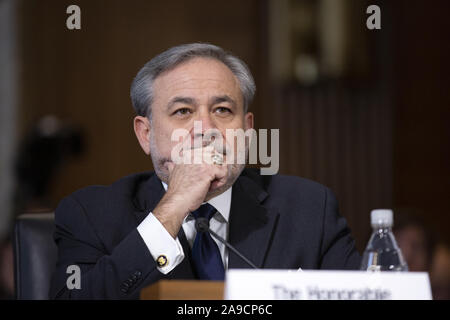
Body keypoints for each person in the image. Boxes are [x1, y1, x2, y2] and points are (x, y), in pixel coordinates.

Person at [49, 43, 360, 299]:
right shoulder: (90, 215)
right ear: (146, 134)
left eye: (222, 111)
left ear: (247, 130)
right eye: (183, 112)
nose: (206, 130)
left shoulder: (310, 208)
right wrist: (172, 208)